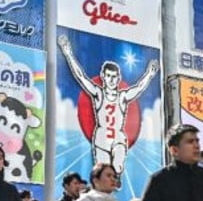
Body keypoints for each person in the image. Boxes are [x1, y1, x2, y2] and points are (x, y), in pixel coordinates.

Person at [58, 34, 160, 179]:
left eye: (114, 77)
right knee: (102, 173)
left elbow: (138, 88)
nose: (111, 80)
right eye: (108, 76)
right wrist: (68, 54)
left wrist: (149, 74)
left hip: (118, 136)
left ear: (118, 78)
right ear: (103, 77)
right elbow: (81, 77)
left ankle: (116, 175)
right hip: (101, 137)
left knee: (117, 167)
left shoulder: (122, 96)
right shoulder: (98, 93)